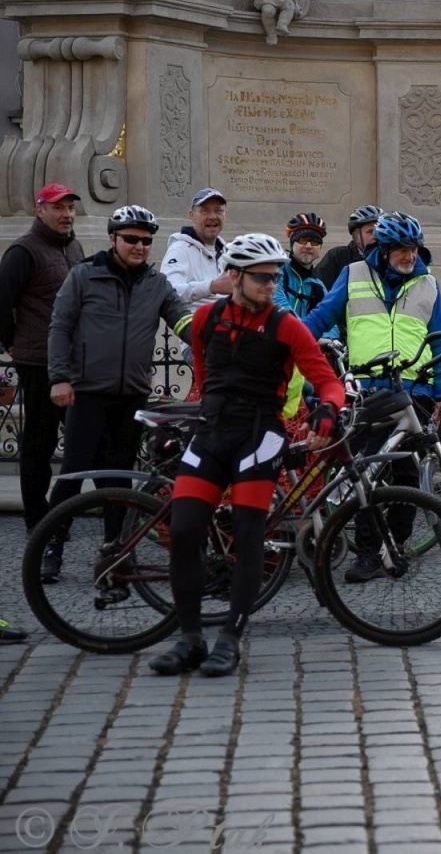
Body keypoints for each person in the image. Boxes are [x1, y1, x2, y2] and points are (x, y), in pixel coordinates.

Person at [147, 234, 344, 678]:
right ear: (234, 276)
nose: (270, 285)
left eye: (274, 277)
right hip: (213, 430)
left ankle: (230, 640)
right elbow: (202, 375)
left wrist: (328, 411)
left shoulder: (286, 325)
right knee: (184, 529)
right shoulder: (206, 319)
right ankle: (190, 638)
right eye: (261, 278)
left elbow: (327, 381)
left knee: (248, 531)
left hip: (261, 433)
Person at [303, 211, 441, 583]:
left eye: (414, 249)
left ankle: (395, 545)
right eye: (402, 250)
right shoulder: (354, 275)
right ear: (384, 249)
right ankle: (368, 553)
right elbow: (322, 316)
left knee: (407, 476)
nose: (409, 256)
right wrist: (291, 339)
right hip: (369, 390)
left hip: (414, 392)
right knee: (367, 475)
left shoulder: (428, 284)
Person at [41, 205, 190, 583]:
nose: (139, 246)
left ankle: (115, 551)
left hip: (132, 395)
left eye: (145, 241)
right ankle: (51, 547)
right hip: (87, 392)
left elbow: (184, 322)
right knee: (73, 473)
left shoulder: (156, 284)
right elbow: (59, 329)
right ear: (113, 239)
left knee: (120, 479)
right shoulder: (84, 276)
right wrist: (59, 378)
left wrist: (216, 343)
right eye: (131, 239)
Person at [0, 184, 84, 537]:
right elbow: (2, 301)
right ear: (40, 210)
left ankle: (61, 514)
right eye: (58, 207)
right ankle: (38, 519)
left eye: (70, 207)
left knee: (80, 442)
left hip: (75, 361)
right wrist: (13, 346)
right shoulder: (23, 251)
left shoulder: (75, 246)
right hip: (38, 361)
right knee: (39, 443)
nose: (66, 214)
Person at [161, 187, 230, 305]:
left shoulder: (227, 253)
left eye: (218, 210)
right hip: (192, 321)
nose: (212, 216)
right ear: (192, 215)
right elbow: (167, 292)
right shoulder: (180, 249)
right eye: (205, 211)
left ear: (225, 215)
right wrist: (211, 286)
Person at [314, 204, 383, 289]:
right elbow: (319, 291)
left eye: (380, 230)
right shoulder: (337, 257)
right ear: (356, 237)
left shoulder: (390, 258)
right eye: (370, 231)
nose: (376, 236)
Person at [276, 212, 328, 318]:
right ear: (292, 244)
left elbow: (328, 320)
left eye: (314, 241)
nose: (308, 246)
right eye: (302, 240)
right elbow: (278, 305)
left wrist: (328, 335)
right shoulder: (276, 270)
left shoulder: (318, 286)